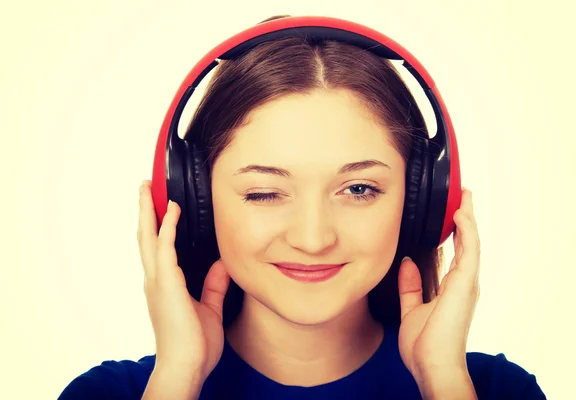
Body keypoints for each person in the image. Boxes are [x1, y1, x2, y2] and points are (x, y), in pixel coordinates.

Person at [58, 14, 546, 400]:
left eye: (358, 189)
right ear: (191, 198)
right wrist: (179, 377)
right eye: (264, 193)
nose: (313, 239)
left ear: (422, 201)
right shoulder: (110, 394)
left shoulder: (496, 391)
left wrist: (440, 378)